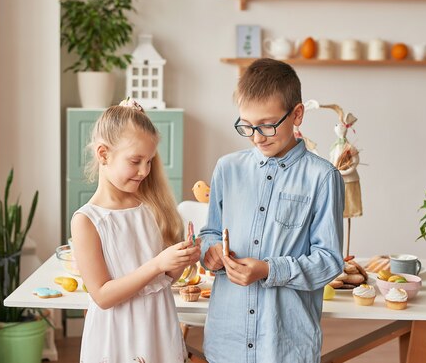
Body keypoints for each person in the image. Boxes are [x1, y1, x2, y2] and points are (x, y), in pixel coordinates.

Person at [199, 58, 345, 363]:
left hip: (286, 346)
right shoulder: (227, 169)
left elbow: (329, 261)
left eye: (267, 125)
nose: (257, 137)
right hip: (227, 342)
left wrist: (268, 270)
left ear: (297, 114)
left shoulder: (322, 177)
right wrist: (210, 251)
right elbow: (210, 233)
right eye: (247, 126)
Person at [71, 98, 201, 363]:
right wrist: (157, 264)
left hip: (157, 325)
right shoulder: (87, 220)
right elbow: (103, 296)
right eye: (135, 161)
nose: (144, 171)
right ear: (103, 154)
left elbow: (159, 282)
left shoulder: (150, 207)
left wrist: (179, 262)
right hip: (119, 335)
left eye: (150, 161)